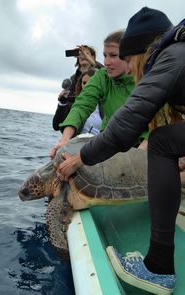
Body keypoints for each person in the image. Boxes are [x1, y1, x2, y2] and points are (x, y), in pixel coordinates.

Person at [57, 7, 185, 294]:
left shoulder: (170, 57)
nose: (123, 64)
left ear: (140, 52)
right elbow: (84, 104)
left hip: (128, 144)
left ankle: (159, 268)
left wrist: (80, 158)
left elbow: (126, 125)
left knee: (162, 142)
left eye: (125, 58)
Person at [50, 30, 149, 158]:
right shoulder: (102, 75)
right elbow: (82, 104)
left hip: (144, 145)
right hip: (110, 143)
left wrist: (137, 156)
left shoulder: (148, 78)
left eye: (113, 55)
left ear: (129, 54)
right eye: (105, 55)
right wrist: (64, 140)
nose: (107, 61)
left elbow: (160, 121)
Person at [52, 45, 103, 131]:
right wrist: (62, 102)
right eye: (80, 54)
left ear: (93, 57)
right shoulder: (73, 79)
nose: (82, 56)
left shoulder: (102, 75)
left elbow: (105, 73)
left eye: (86, 53)